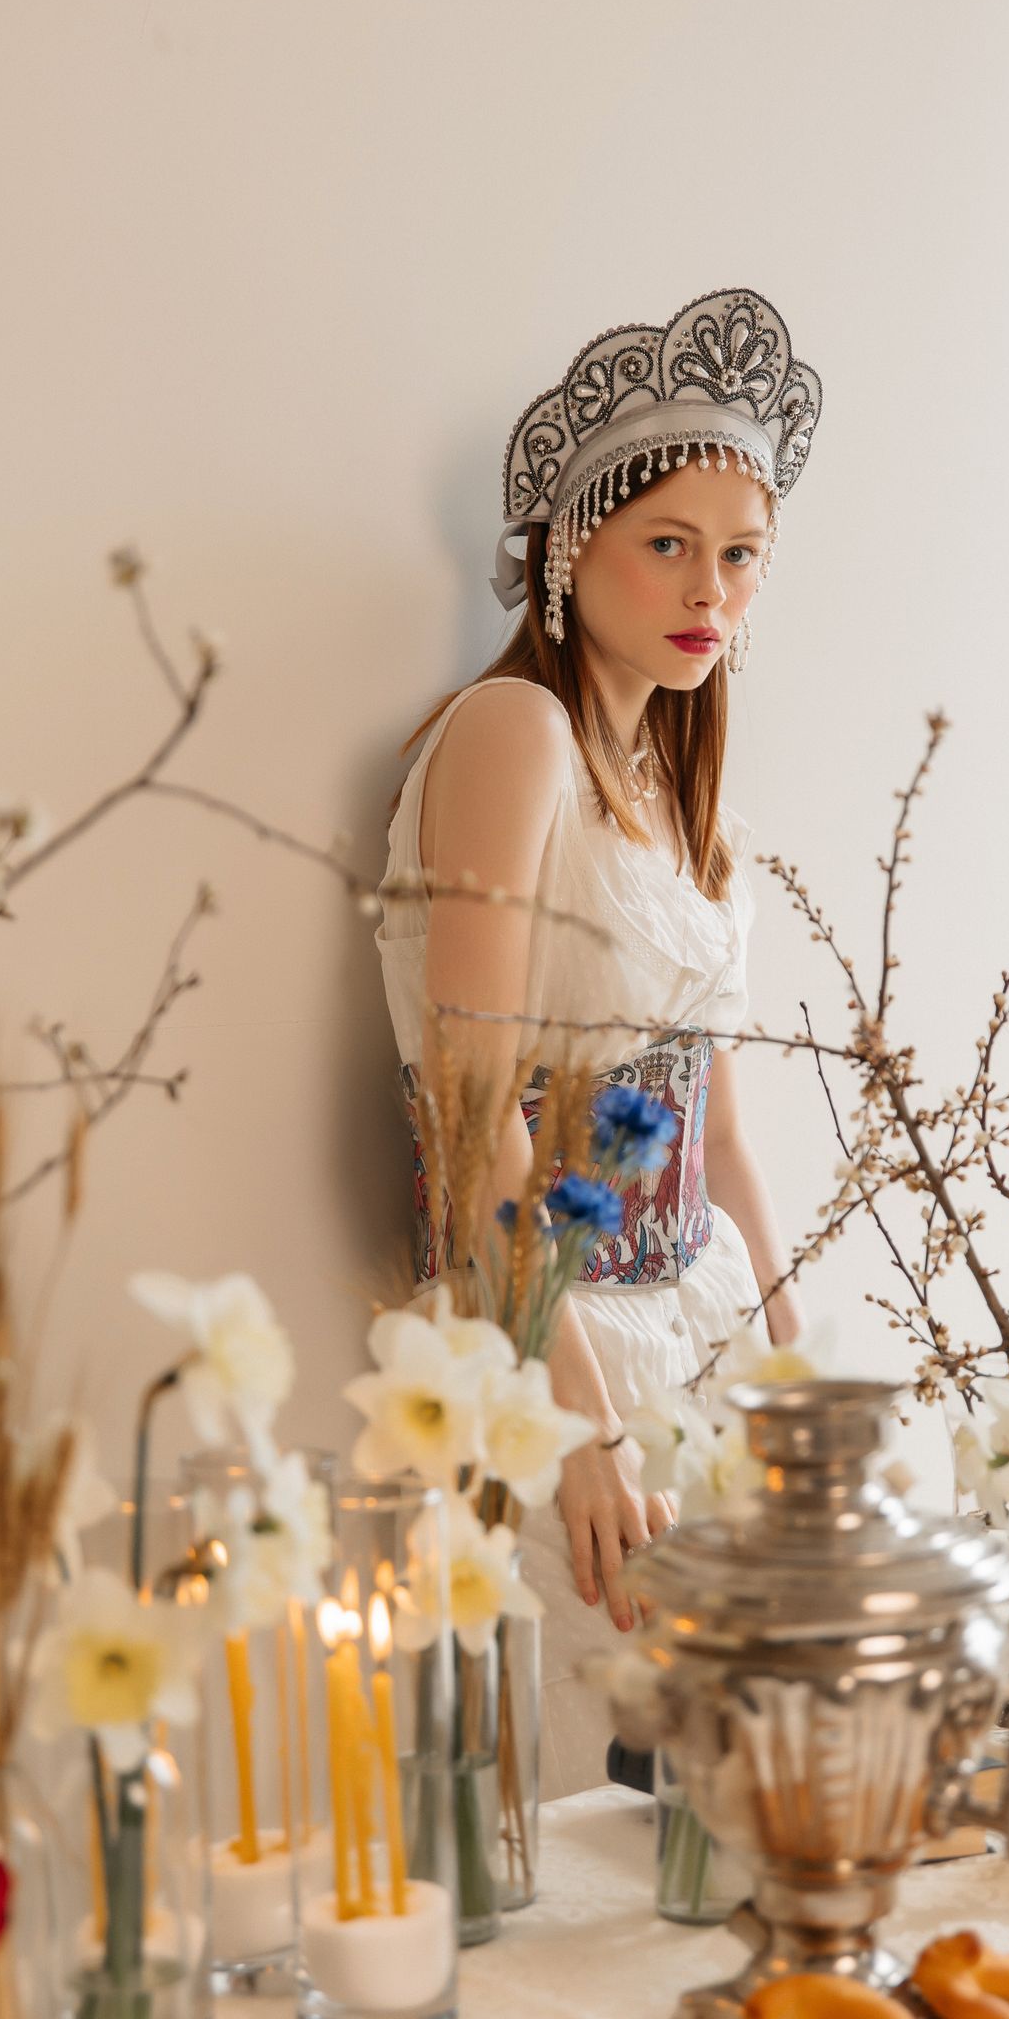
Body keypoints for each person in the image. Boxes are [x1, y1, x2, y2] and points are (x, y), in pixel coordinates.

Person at [375, 285, 824, 1795]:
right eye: (669, 544)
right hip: (549, 1337)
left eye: (742, 554)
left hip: (693, 1313)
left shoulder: (686, 799)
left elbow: (726, 1132)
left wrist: (796, 1371)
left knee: (747, 1793)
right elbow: (470, 1109)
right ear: (573, 545)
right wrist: (580, 1431)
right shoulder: (516, 736)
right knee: (596, 1807)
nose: (713, 589)